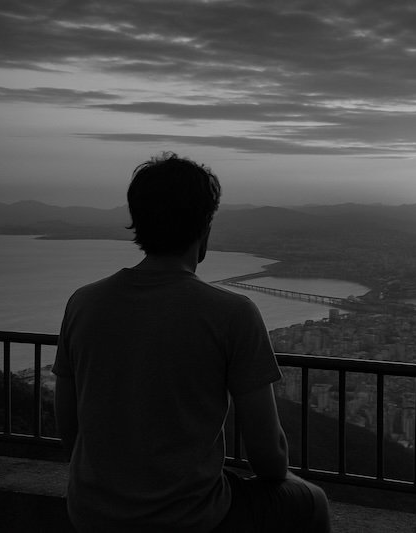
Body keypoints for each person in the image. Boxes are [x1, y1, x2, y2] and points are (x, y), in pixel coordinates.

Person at [53, 152, 330, 532]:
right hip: (188, 519)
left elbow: (68, 423)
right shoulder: (232, 313)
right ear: (205, 229)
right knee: (312, 501)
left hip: (90, 512)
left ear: (138, 224)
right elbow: (269, 458)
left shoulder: (83, 303)